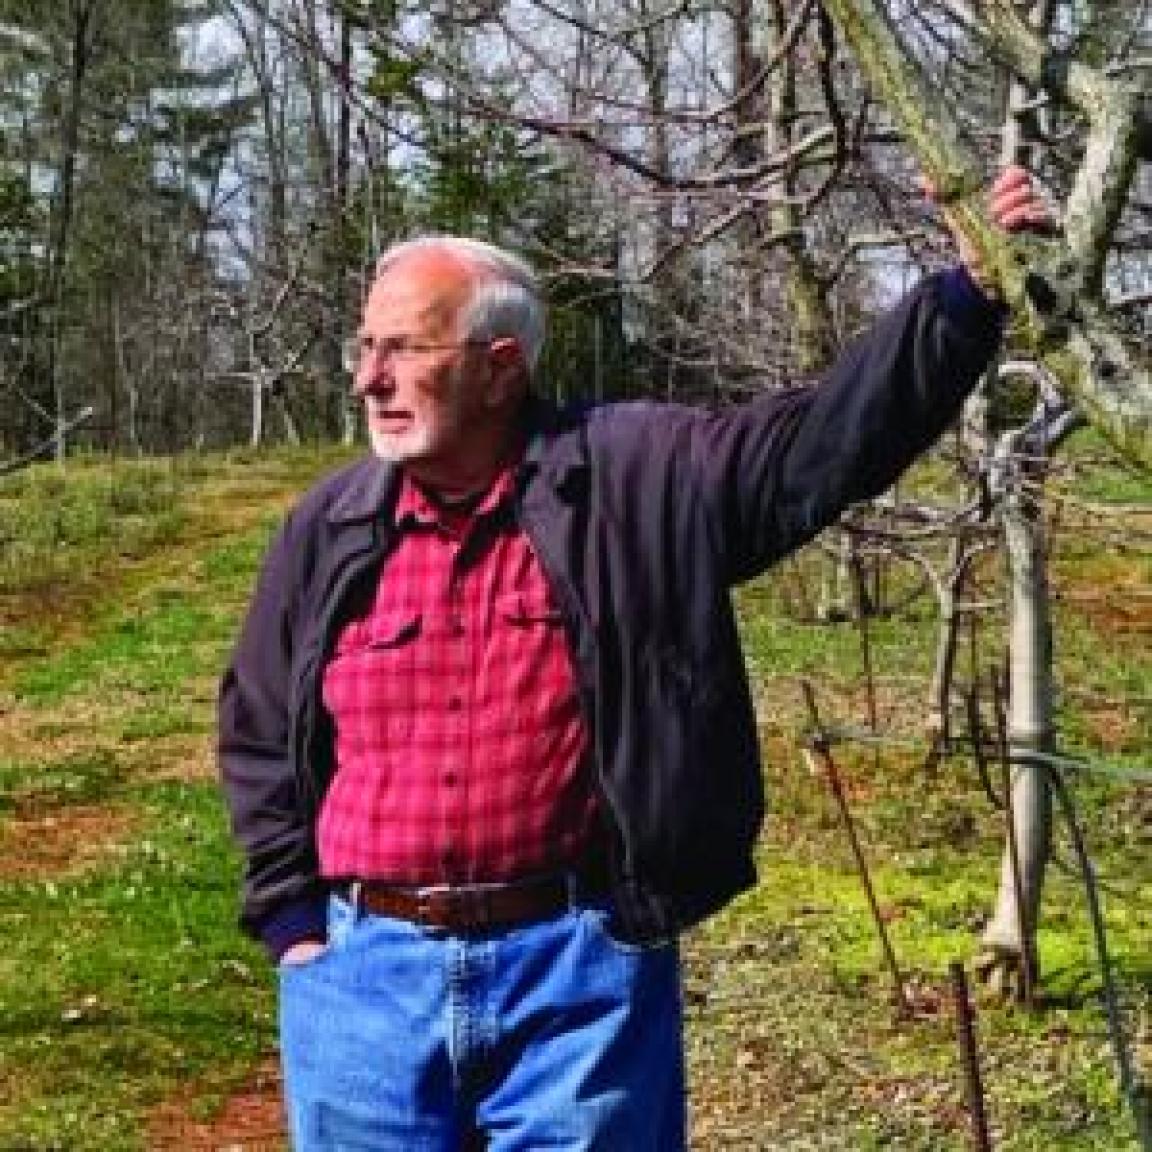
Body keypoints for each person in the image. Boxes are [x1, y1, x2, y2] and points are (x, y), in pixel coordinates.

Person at [219, 167, 1050, 1150]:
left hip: (576, 977)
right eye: (366, 346)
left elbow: (827, 441)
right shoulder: (329, 527)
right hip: (361, 985)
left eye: (404, 349)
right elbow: (260, 723)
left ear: (499, 366)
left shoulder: (639, 476)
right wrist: (293, 923)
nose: (369, 377)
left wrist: (962, 296)